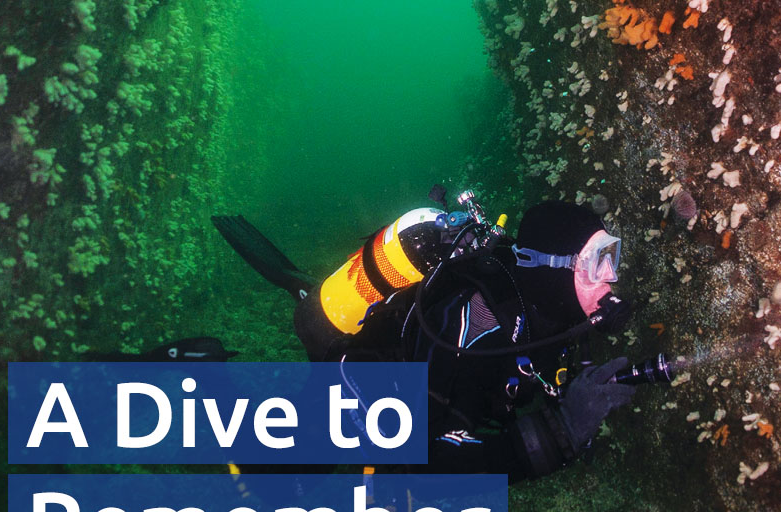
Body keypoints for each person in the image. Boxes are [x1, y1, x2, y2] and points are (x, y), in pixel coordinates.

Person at [213, 199, 638, 481]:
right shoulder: (479, 326)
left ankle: (300, 284)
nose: (612, 276)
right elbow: (425, 459)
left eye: (612, 255)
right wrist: (559, 433)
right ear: (553, 269)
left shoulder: (553, 313)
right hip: (360, 386)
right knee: (281, 476)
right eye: (597, 262)